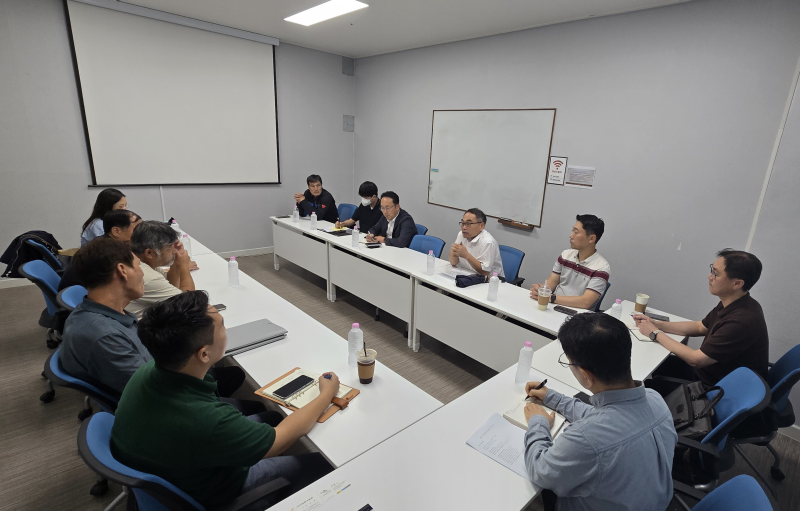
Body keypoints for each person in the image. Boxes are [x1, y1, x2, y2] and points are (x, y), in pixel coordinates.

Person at [111, 292, 336, 510]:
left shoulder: (152, 369)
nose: (226, 331)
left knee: (272, 416)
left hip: (173, 468)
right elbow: (279, 440)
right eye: (222, 327)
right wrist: (326, 394)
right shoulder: (206, 418)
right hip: (214, 491)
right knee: (321, 464)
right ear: (204, 354)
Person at [523, 313, 677, 511]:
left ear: (586, 375)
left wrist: (538, 422)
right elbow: (607, 420)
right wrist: (554, 398)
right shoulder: (655, 399)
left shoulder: (585, 438)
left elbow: (540, 471)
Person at [635, 249, 768, 385]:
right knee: (652, 362)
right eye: (712, 270)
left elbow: (696, 359)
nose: (709, 277)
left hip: (715, 388)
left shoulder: (741, 320)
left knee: (645, 386)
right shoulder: (736, 302)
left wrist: (654, 333)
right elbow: (700, 327)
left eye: (715, 274)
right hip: (706, 372)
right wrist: (656, 324)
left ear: (737, 284)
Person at [59, 238, 148, 395]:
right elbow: (155, 390)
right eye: (138, 265)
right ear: (122, 270)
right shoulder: (106, 337)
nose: (142, 273)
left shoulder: (94, 311)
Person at [529, 214, 609, 310]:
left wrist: (552, 298)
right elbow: (551, 282)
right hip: (554, 307)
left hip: (577, 315)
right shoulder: (565, 255)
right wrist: (540, 290)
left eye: (576, 232)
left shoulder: (601, 268)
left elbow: (586, 302)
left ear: (591, 238)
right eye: (572, 231)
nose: (571, 236)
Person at [58, 210, 142, 292]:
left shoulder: (103, 243)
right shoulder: (107, 253)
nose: (140, 234)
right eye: (136, 230)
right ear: (116, 231)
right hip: (79, 296)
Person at [126, 220, 196, 319]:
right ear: (149, 253)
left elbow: (171, 284)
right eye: (169, 247)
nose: (174, 251)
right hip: (140, 325)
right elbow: (190, 302)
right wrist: (184, 266)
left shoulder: (139, 260)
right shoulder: (146, 276)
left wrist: (177, 261)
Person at [448, 208, 504, 277]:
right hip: (467, 275)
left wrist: (466, 255)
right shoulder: (461, 235)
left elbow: (485, 272)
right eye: (463, 223)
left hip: (490, 280)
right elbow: (454, 263)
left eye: (468, 224)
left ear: (481, 226)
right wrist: (453, 252)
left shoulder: (488, 242)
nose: (464, 227)